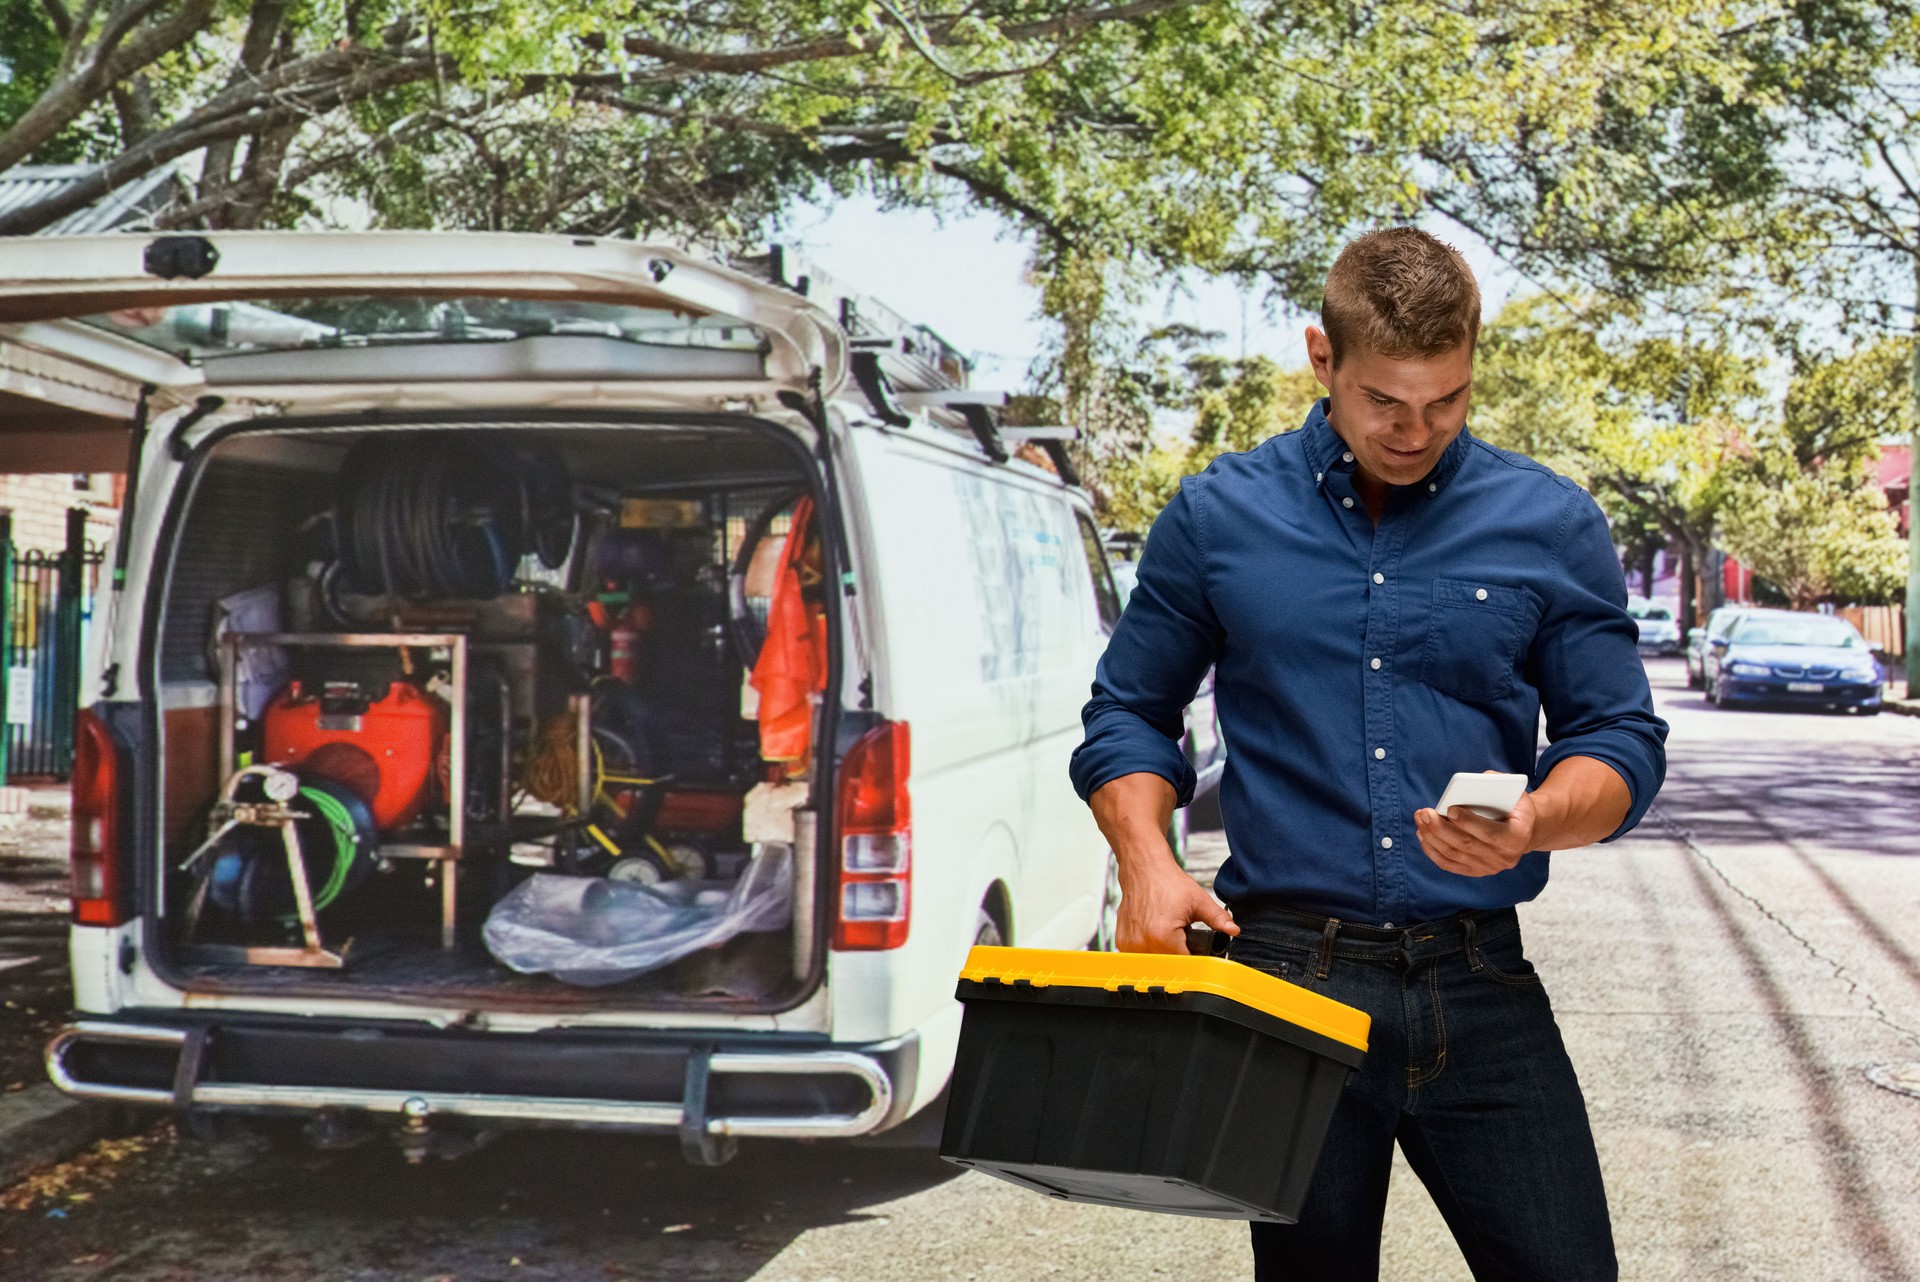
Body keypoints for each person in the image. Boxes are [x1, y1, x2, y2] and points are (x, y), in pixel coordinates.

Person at [1069, 227, 1667, 1282]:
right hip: (1290, 980)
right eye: (1386, 400)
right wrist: (1149, 865)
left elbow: (1618, 738)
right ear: (1322, 359)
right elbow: (1127, 710)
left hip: (1479, 975)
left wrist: (1535, 819)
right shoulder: (1219, 516)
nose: (1415, 430)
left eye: (1447, 400)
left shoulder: (1550, 522)